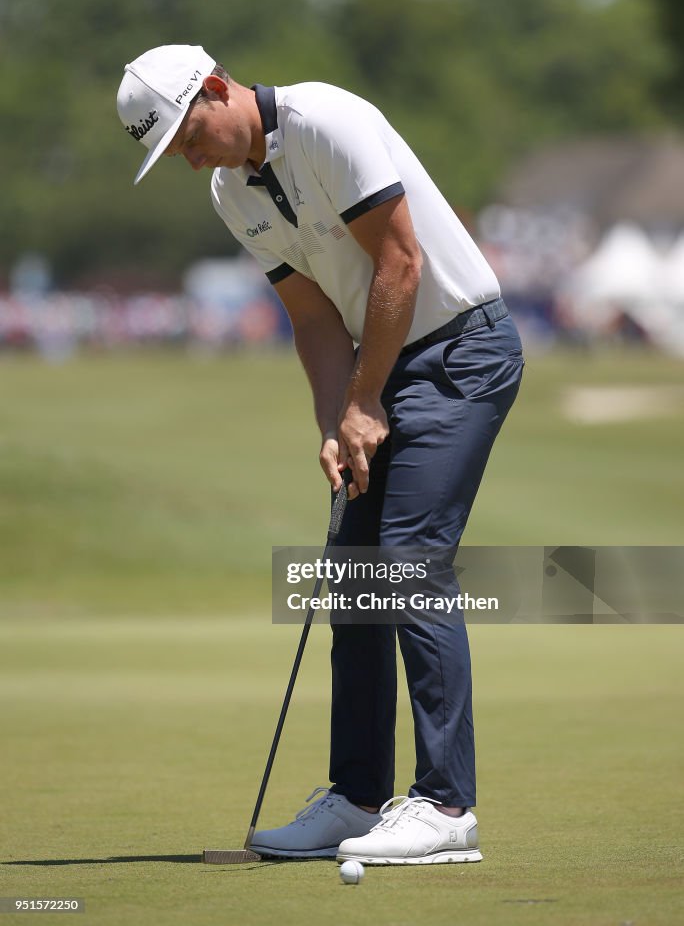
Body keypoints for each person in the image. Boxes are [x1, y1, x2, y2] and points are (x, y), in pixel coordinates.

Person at [117, 44, 524, 866]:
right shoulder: (231, 191)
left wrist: (368, 399)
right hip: (383, 362)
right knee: (354, 574)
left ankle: (447, 807)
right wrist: (337, 424)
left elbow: (401, 264)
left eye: (186, 135)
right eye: (168, 151)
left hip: (459, 353)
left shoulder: (328, 122)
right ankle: (358, 799)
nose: (186, 157)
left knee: (407, 561)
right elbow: (311, 321)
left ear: (218, 89)